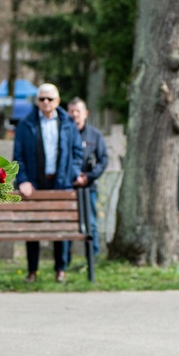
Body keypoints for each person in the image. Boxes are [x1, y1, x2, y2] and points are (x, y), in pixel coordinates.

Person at [12, 83, 82, 283]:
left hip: (61, 182)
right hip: (34, 183)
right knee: (32, 227)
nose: (45, 102)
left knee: (60, 227)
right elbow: (19, 156)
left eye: (49, 99)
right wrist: (23, 180)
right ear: (37, 101)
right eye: (41, 99)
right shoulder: (26, 124)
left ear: (57, 101)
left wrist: (72, 174)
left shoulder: (67, 122)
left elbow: (77, 152)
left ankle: (61, 269)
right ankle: (32, 271)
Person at [66, 97, 108, 265]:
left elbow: (103, 160)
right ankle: (65, 260)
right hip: (68, 186)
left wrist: (88, 177)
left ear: (85, 113)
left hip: (88, 186)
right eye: (72, 111)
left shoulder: (95, 135)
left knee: (91, 222)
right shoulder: (65, 134)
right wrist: (72, 177)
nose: (75, 114)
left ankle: (93, 258)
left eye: (78, 111)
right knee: (67, 223)